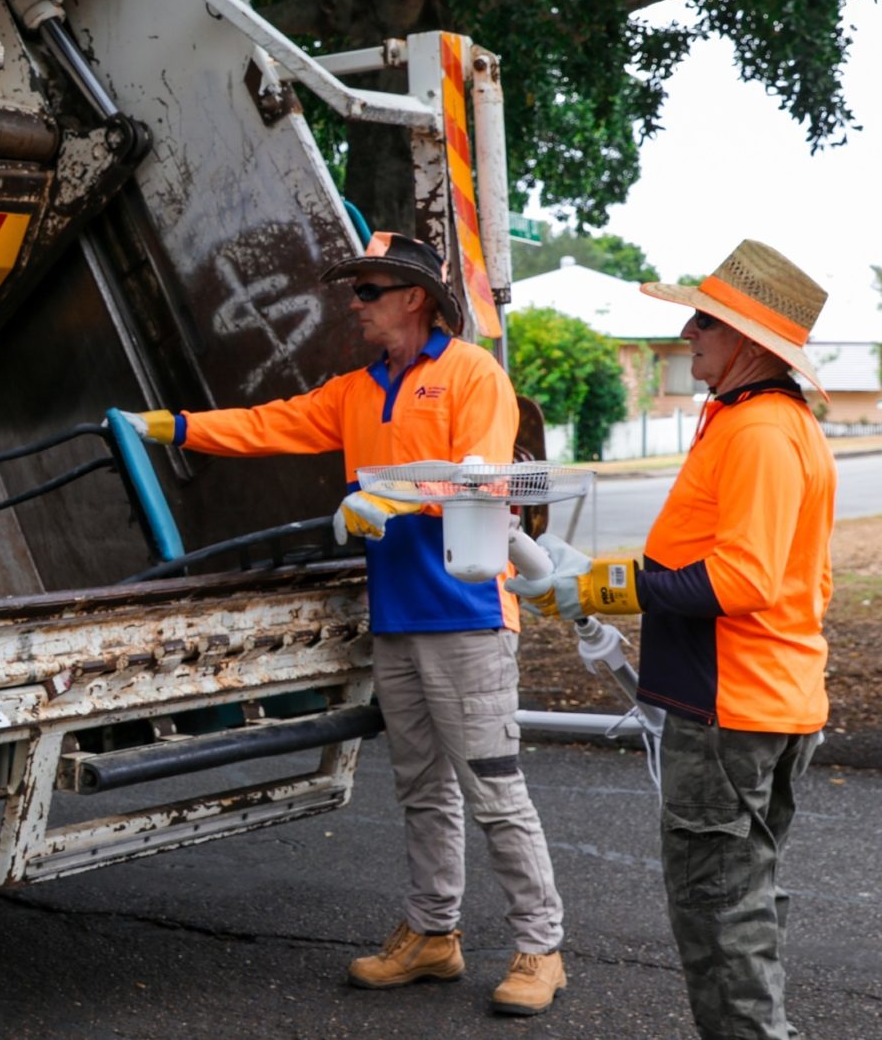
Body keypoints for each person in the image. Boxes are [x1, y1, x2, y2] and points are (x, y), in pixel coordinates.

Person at [117, 232, 567, 1016]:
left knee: (492, 788)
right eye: (354, 290)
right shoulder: (359, 389)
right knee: (422, 787)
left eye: (366, 291)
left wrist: (392, 495)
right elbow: (270, 423)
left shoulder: (471, 374)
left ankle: (541, 946)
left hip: (468, 614)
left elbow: (486, 477)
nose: (353, 305)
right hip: (396, 616)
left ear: (413, 297)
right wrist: (175, 428)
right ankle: (433, 933)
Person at [512, 240, 834, 1040]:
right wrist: (601, 576)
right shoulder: (751, 420)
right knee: (739, 898)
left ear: (752, 344)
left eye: (707, 321)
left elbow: (739, 582)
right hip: (758, 698)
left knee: (718, 909)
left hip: (733, 705)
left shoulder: (759, 430)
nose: (689, 330)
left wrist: (596, 586)